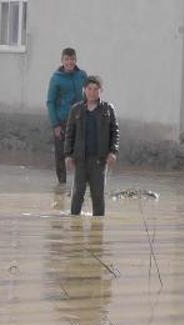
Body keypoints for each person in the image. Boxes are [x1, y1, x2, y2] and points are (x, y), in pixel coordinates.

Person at [64, 75, 119, 217]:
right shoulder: (76, 109)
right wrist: (68, 155)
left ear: (101, 91)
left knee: (98, 196)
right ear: (84, 90)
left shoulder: (108, 109)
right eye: (89, 89)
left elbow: (115, 132)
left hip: (99, 160)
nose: (92, 92)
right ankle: (74, 229)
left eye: (96, 89)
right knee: (77, 195)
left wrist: (113, 152)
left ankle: (98, 230)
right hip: (80, 159)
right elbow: (69, 134)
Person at [46, 47, 88, 184]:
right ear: (62, 60)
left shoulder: (82, 75)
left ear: (76, 60)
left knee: (81, 152)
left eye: (72, 59)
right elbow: (50, 102)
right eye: (67, 59)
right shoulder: (56, 79)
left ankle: (80, 183)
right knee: (61, 154)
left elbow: (90, 94)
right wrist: (55, 124)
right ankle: (62, 184)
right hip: (62, 121)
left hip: (80, 120)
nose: (69, 62)